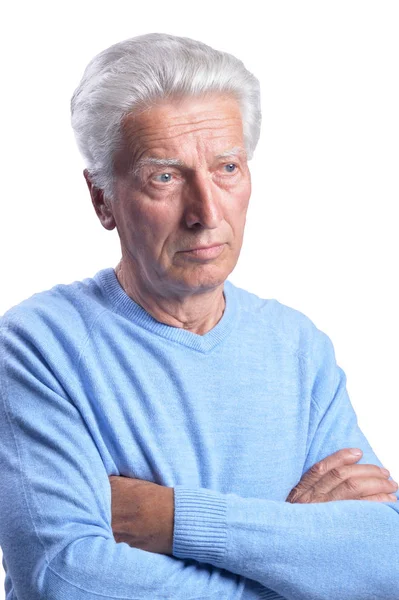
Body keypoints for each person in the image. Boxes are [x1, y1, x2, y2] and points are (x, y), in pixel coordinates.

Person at [0, 32, 398, 600]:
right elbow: (65, 578)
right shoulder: (38, 345)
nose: (206, 212)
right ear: (102, 199)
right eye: (164, 176)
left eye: (227, 167)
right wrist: (294, 562)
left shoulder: (296, 347)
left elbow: (386, 558)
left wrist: (175, 520)